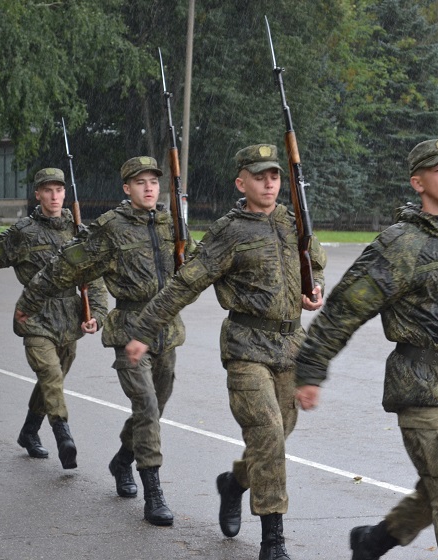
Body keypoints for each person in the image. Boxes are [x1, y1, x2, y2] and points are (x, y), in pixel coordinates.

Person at [294, 138, 438, 560]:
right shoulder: (400, 244)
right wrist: (311, 371)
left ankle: (372, 541)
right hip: (420, 388)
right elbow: (343, 310)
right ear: (417, 182)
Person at [125, 144, 326, 559]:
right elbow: (186, 283)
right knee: (267, 432)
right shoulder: (228, 232)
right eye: (259, 177)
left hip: (292, 346)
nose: (269, 183)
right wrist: (145, 328)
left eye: (274, 176)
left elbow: (315, 260)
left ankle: (234, 484)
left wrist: (314, 286)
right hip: (246, 348)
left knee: (277, 437)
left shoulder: (292, 222)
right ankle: (273, 541)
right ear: (241, 183)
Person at [16, 157, 194, 524]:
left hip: (167, 330)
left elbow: (201, 267)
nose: (149, 187)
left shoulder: (172, 224)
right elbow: (69, 265)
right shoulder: (110, 227)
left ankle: (122, 461)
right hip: (129, 328)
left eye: (153, 181)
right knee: (146, 406)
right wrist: (29, 301)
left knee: (155, 408)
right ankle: (153, 492)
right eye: (140, 182)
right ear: (126, 188)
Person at [0, 167, 108, 469]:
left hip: (69, 319)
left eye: (59, 190)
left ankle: (29, 431)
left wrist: (97, 314)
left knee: (52, 380)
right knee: (51, 375)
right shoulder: (23, 232)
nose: (54, 196)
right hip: (33, 315)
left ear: (65, 193)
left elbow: (94, 278)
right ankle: (63, 435)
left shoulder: (79, 232)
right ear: (37, 194)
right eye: (47, 190)